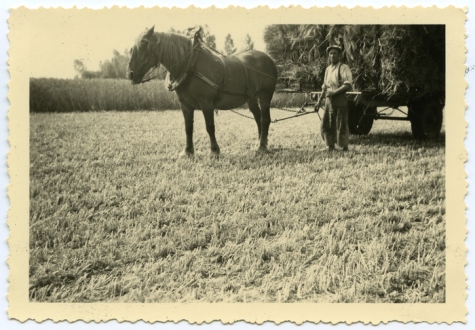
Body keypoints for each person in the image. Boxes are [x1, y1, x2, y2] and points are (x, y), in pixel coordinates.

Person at [318, 45, 353, 151]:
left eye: (335, 53)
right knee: (327, 122)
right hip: (329, 100)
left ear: (339, 55)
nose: (332, 55)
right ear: (328, 56)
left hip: (340, 99)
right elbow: (324, 87)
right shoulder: (328, 69)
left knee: (341, 123)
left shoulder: (343, 67)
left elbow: (347, 85)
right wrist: (319, 101)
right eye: (331, 53)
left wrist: (334, 93)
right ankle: (330, 146)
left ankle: (343, 147)